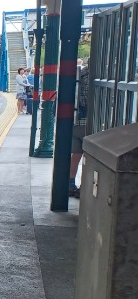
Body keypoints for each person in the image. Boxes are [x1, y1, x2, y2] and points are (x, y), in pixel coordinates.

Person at [69, 60, 89, 198]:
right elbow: (87, 100)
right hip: (88, 122)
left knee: (76, 154)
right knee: (90, 156)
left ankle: (70, 183)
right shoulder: (93, 76)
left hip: (75, 121)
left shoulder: (79, 73)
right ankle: (85, 186)